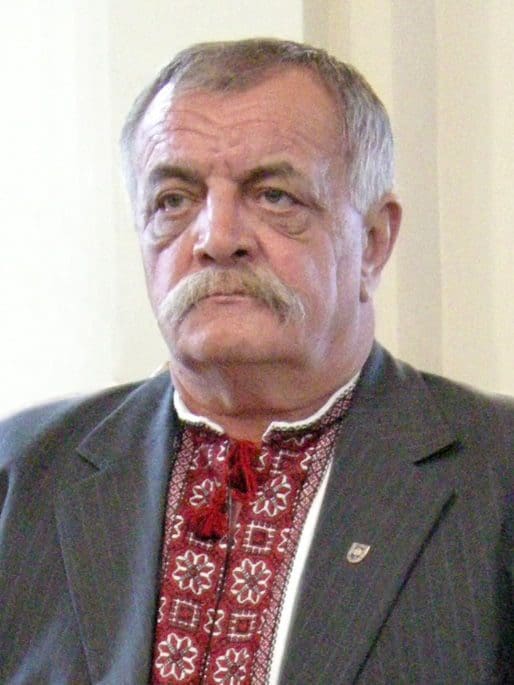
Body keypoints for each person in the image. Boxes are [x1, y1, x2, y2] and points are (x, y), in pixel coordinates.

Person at [0, 38, 512, 685]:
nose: (216, 238)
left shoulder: (496, 476)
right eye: (173, 200)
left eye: (273, 196)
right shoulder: (21, 476)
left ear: (374, 241)